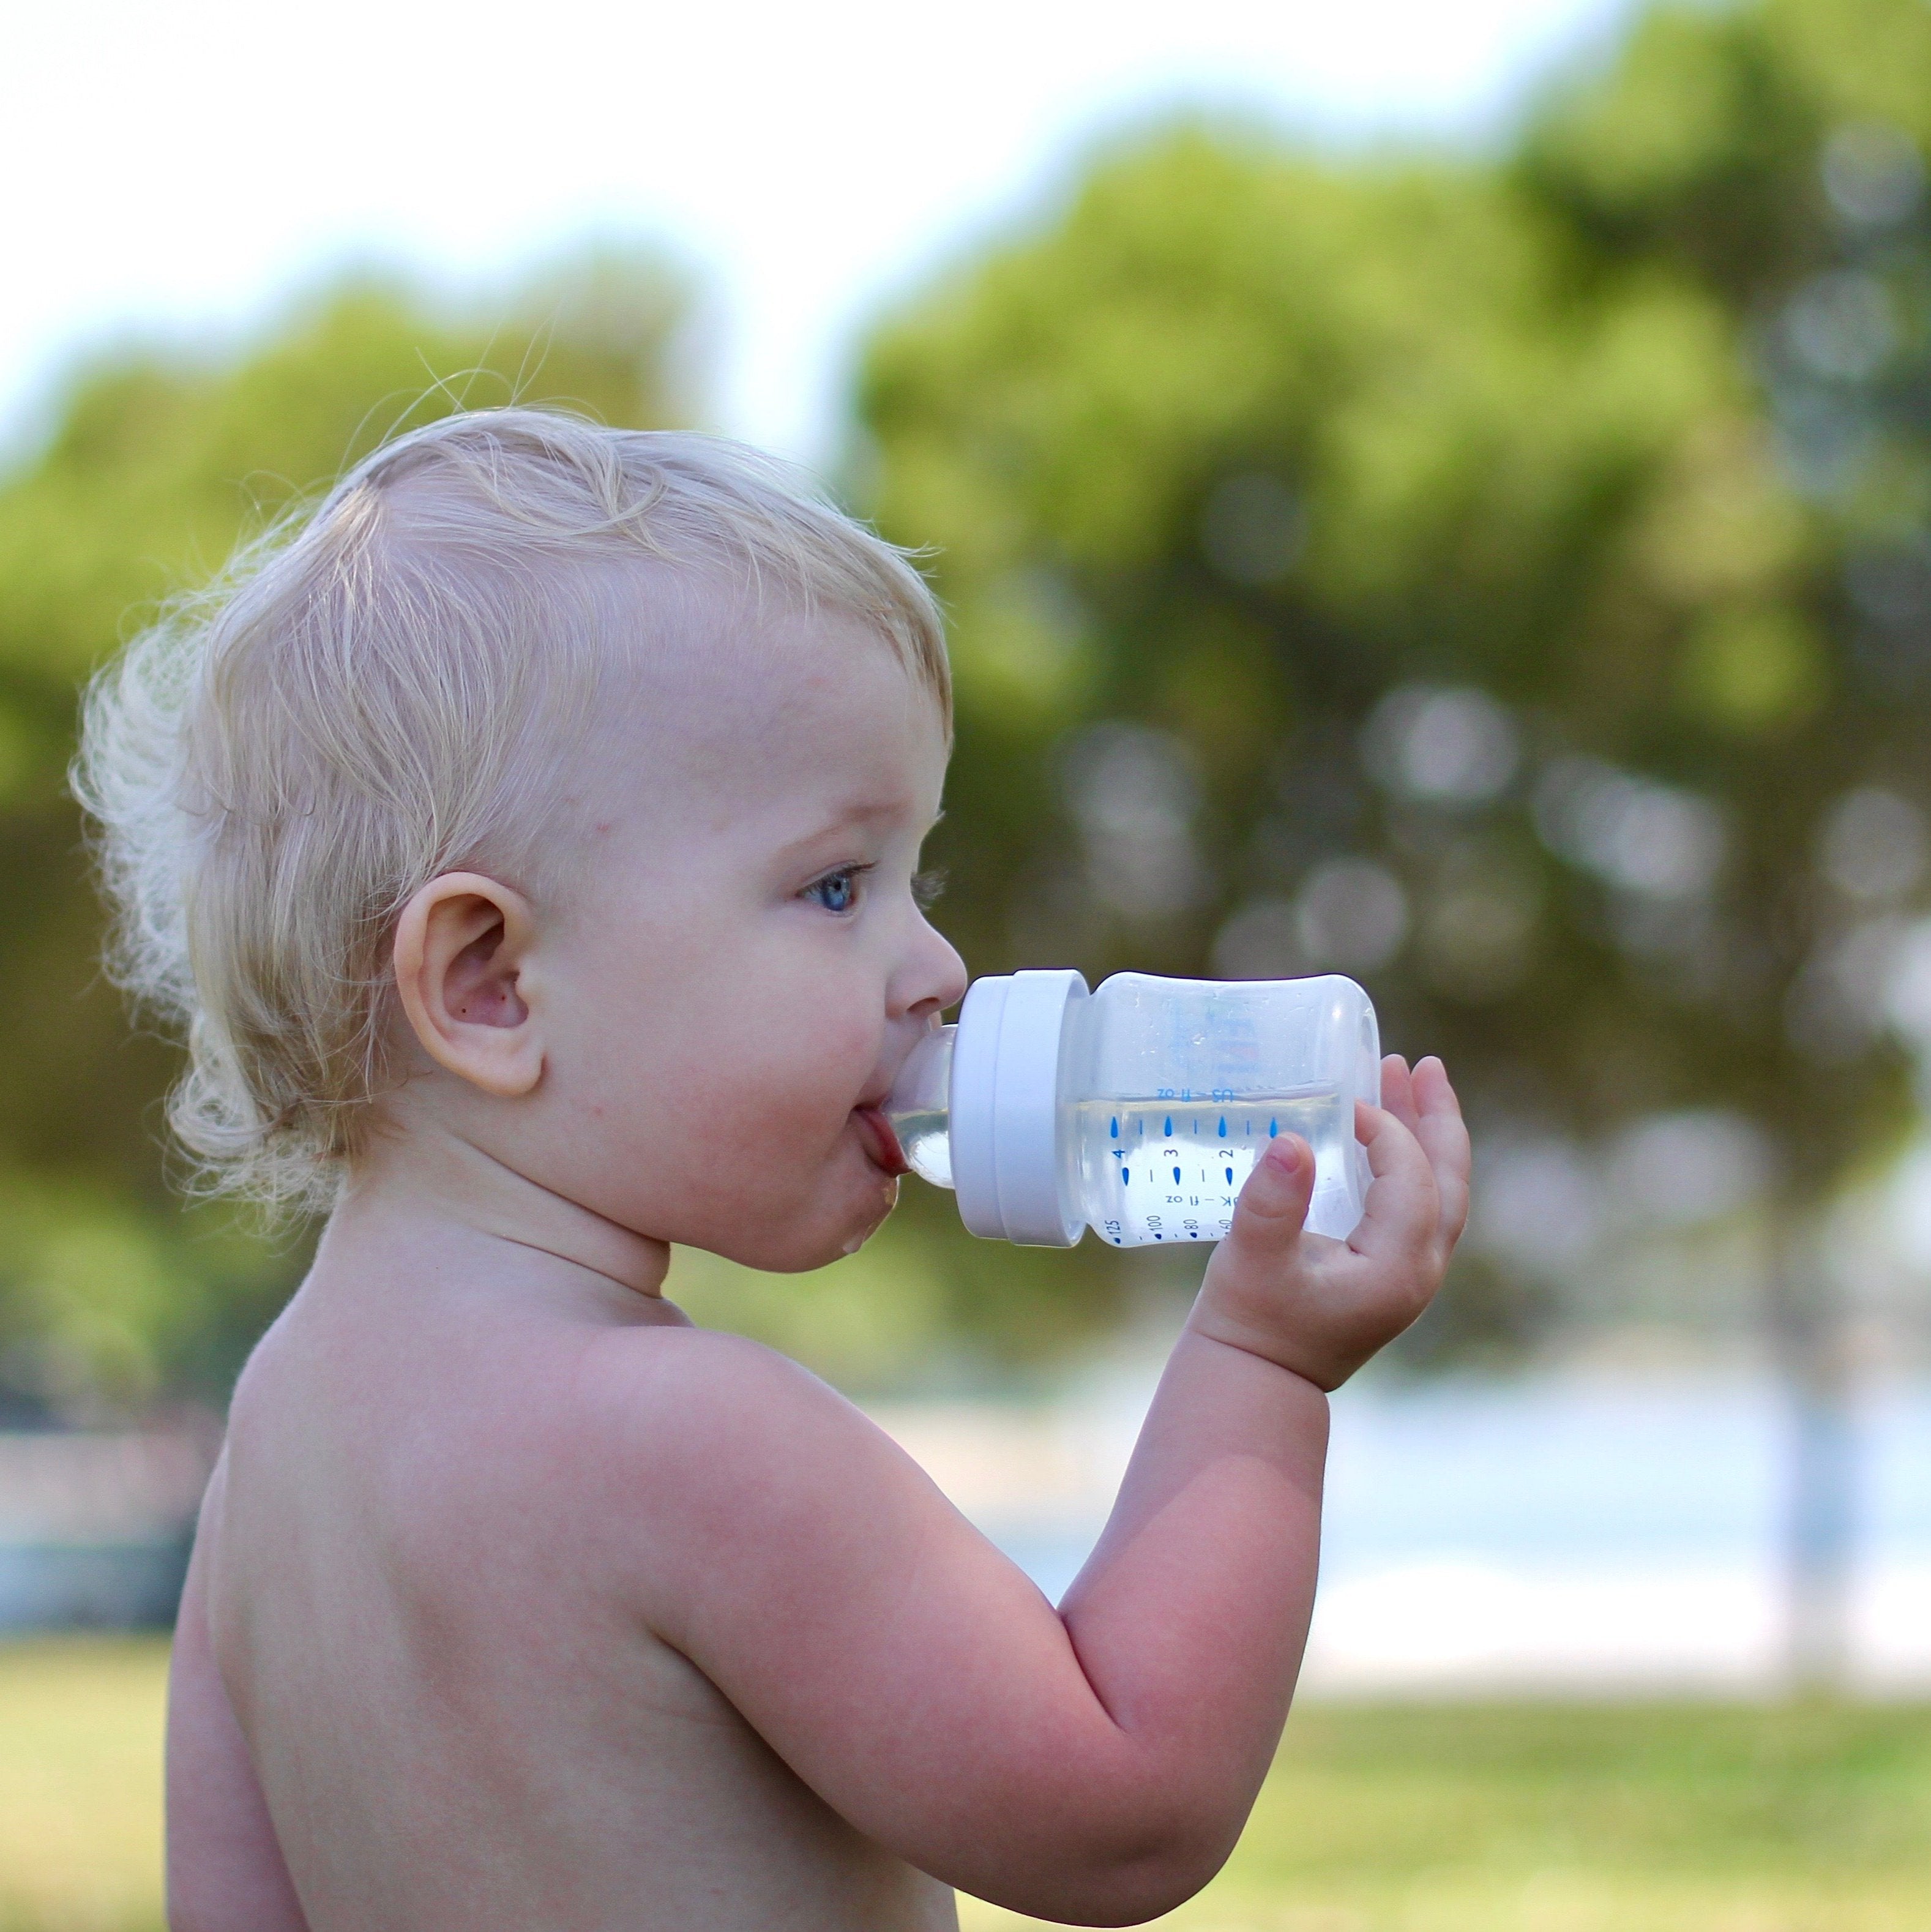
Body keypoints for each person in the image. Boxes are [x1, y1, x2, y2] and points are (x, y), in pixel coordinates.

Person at [76, 408, 1470, 1931]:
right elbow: (1125, 1812)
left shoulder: (273, 1456)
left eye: (909, 879)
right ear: (488, 984)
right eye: (833, 884)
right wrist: (1265, 1363)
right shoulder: (693, 1439)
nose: (935, 961)